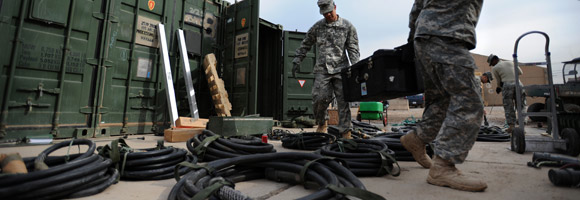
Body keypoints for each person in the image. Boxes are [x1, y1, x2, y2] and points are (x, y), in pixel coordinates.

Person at [400, 0, 487, 192]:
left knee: (441, 99)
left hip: (425, 37)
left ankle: (417, 139)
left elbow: (417, 6)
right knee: (469, 101)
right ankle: (443, 166)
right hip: (447, 35)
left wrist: (411, 38)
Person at [292, 0, 359, 139]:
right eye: (324, 13)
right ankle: (322, 123)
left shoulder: (347, 26)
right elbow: (306, 43)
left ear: (335, 7)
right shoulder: (318, 27)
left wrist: (356, 68)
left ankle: (346, 131)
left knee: (343, 102)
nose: (328, 15)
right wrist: (297, 59)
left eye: (329, 11)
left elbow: (353, 49)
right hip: (323, 70)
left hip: (341, 69)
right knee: (319, 99)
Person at [488, 54, 524, 133]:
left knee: (508, 106)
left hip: (507, 85)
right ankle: (522, 126)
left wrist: (498, 87)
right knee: (521, 105)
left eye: (492, 63)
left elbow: (499, 81)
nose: (492, 65)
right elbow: (520, 72)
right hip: (519, 84)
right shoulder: (511, 62)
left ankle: (511, 126)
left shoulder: (495, 68)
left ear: (494, 60)